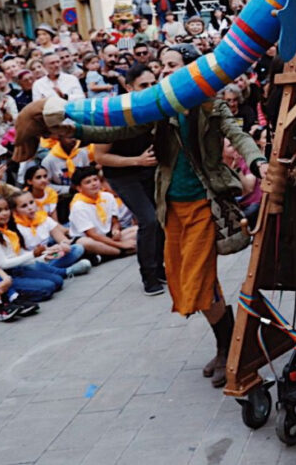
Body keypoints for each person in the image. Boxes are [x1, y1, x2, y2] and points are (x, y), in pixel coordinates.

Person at [66, 44, 267, 388]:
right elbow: (118, 131)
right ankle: (228, 344)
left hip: (204, 205)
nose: (164, 71)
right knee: (185, 281)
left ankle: (231, 349)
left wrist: (259, 162)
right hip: (171, 207)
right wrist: (73, 129)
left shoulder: (210, 105)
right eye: (162, 65)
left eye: (172, 65)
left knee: (199, 281)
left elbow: (240, 136)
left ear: (192, 70)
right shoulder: (159, 108)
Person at [92, 63, 165, 295]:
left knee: (161, 218)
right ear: (129, 87)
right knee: (148, 220)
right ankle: (149, 276)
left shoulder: (157, 108)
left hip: (148, 170)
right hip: (123, 174)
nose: (150, 88)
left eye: (153, 83)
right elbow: (100, 156)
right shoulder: (115, 114)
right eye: (143, 85)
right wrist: (137, 161)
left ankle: (160, 268)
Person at [0, 194, 65, 301]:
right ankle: (12, 295)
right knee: (48, 287)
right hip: (5, 276)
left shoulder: (9, 230)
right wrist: (32, 254)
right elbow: (3, 264)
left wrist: (44, 256)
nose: (5, 213)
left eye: (6, 209)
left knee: (58, 281)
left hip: (19, 269)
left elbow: (20, 254)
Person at [8, 188, 90, 277]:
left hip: (51, 256)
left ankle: (49, 271)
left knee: (77, 248)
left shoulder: (44, 218)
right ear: (15, 211)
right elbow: (20, 257)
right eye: (24, 206)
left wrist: (63, 245)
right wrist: (44, 255)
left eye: (31, 202)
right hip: (33, 261)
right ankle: (66, 271)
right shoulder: (15, 227)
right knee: (31, 267)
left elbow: (62, 239)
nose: (30, 207)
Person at [67, 165, 137, 259]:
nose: (94, 184)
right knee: (84, 243)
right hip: (92, 239)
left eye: (95, 180)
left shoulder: (107, 196)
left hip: (107, 236)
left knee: (136, 230)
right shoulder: (78, 206)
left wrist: (115, 230)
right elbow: (92, 234)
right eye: (88, 182)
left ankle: (106, 254)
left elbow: (115, 221)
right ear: (79, 188)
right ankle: (121, 252)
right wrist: (121, 245)